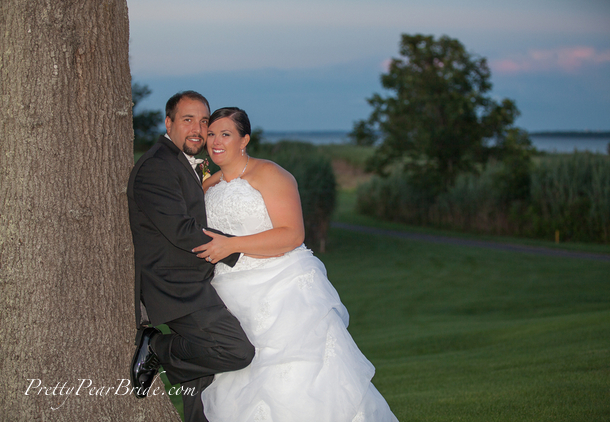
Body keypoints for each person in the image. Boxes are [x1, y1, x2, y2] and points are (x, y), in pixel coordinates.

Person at [193, 107, 399, 421]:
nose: (216, 141)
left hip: (281, 288)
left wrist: (232, 245)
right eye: (211, 134)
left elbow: (292, 234)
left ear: (244, 139)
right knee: (240, 380)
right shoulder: (207, 186)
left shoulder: (270, 174)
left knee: (293, 377)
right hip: (228, 294)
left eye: (225, 134)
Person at [127, 92, 255, 422]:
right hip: (176, 286)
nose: (198, 129)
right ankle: (157, 347)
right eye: (188, 120)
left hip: (192, 279)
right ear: (168, 122)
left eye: (203, 121)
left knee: (201, 382)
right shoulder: (157, 167)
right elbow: (182, 230)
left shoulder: (178, 162)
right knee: (235, 350)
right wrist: (239, 249)